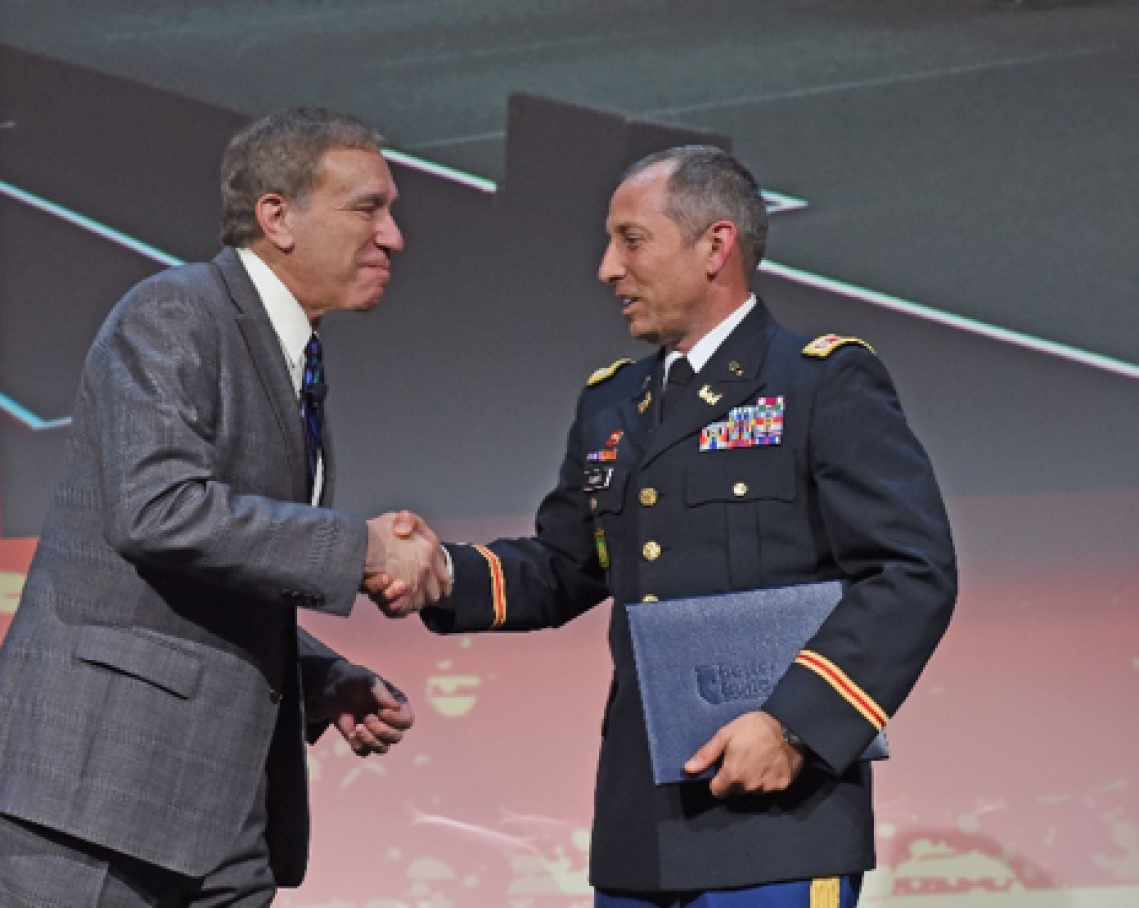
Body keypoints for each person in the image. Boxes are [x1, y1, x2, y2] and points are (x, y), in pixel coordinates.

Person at [408, 146, 957, 907]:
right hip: (643, 824)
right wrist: (438, 572)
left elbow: (911, 571)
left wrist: (796, 728)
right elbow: (566, 564)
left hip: (778, 818)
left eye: (632, 241)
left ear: (715, 246)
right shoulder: (611, 402)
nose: (606, 268)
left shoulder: (819, 380)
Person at [0, 108, 450, 907]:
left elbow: (204, 578)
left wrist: (318, 675)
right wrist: (363, 550)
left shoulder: (294, 355)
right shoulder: (174, 313)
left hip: (220, 814)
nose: (392, 236)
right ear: (276, 216)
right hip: (95, 797)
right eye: (367, 208)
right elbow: (158, 510)